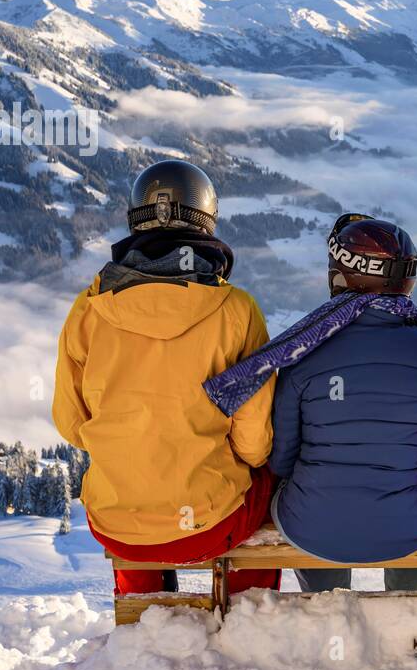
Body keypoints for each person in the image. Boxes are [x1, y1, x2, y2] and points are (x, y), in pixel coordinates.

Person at [52, 159, 282, 596]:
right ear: (206, 222)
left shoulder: (88, 309)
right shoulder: (236, 311)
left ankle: (144, 607)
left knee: (135, 523)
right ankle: (252, 608)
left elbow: (71, 424)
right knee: (269, 483)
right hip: (211, 525)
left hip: (116, 524)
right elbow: (254, 445)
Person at [205, 213, 417, 593]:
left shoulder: (305, 346)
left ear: (341, 274)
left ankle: (326, 601)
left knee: (303, 503)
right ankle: (405, 599)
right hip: (411, 526)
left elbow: (282, 459)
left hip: (312, 525)